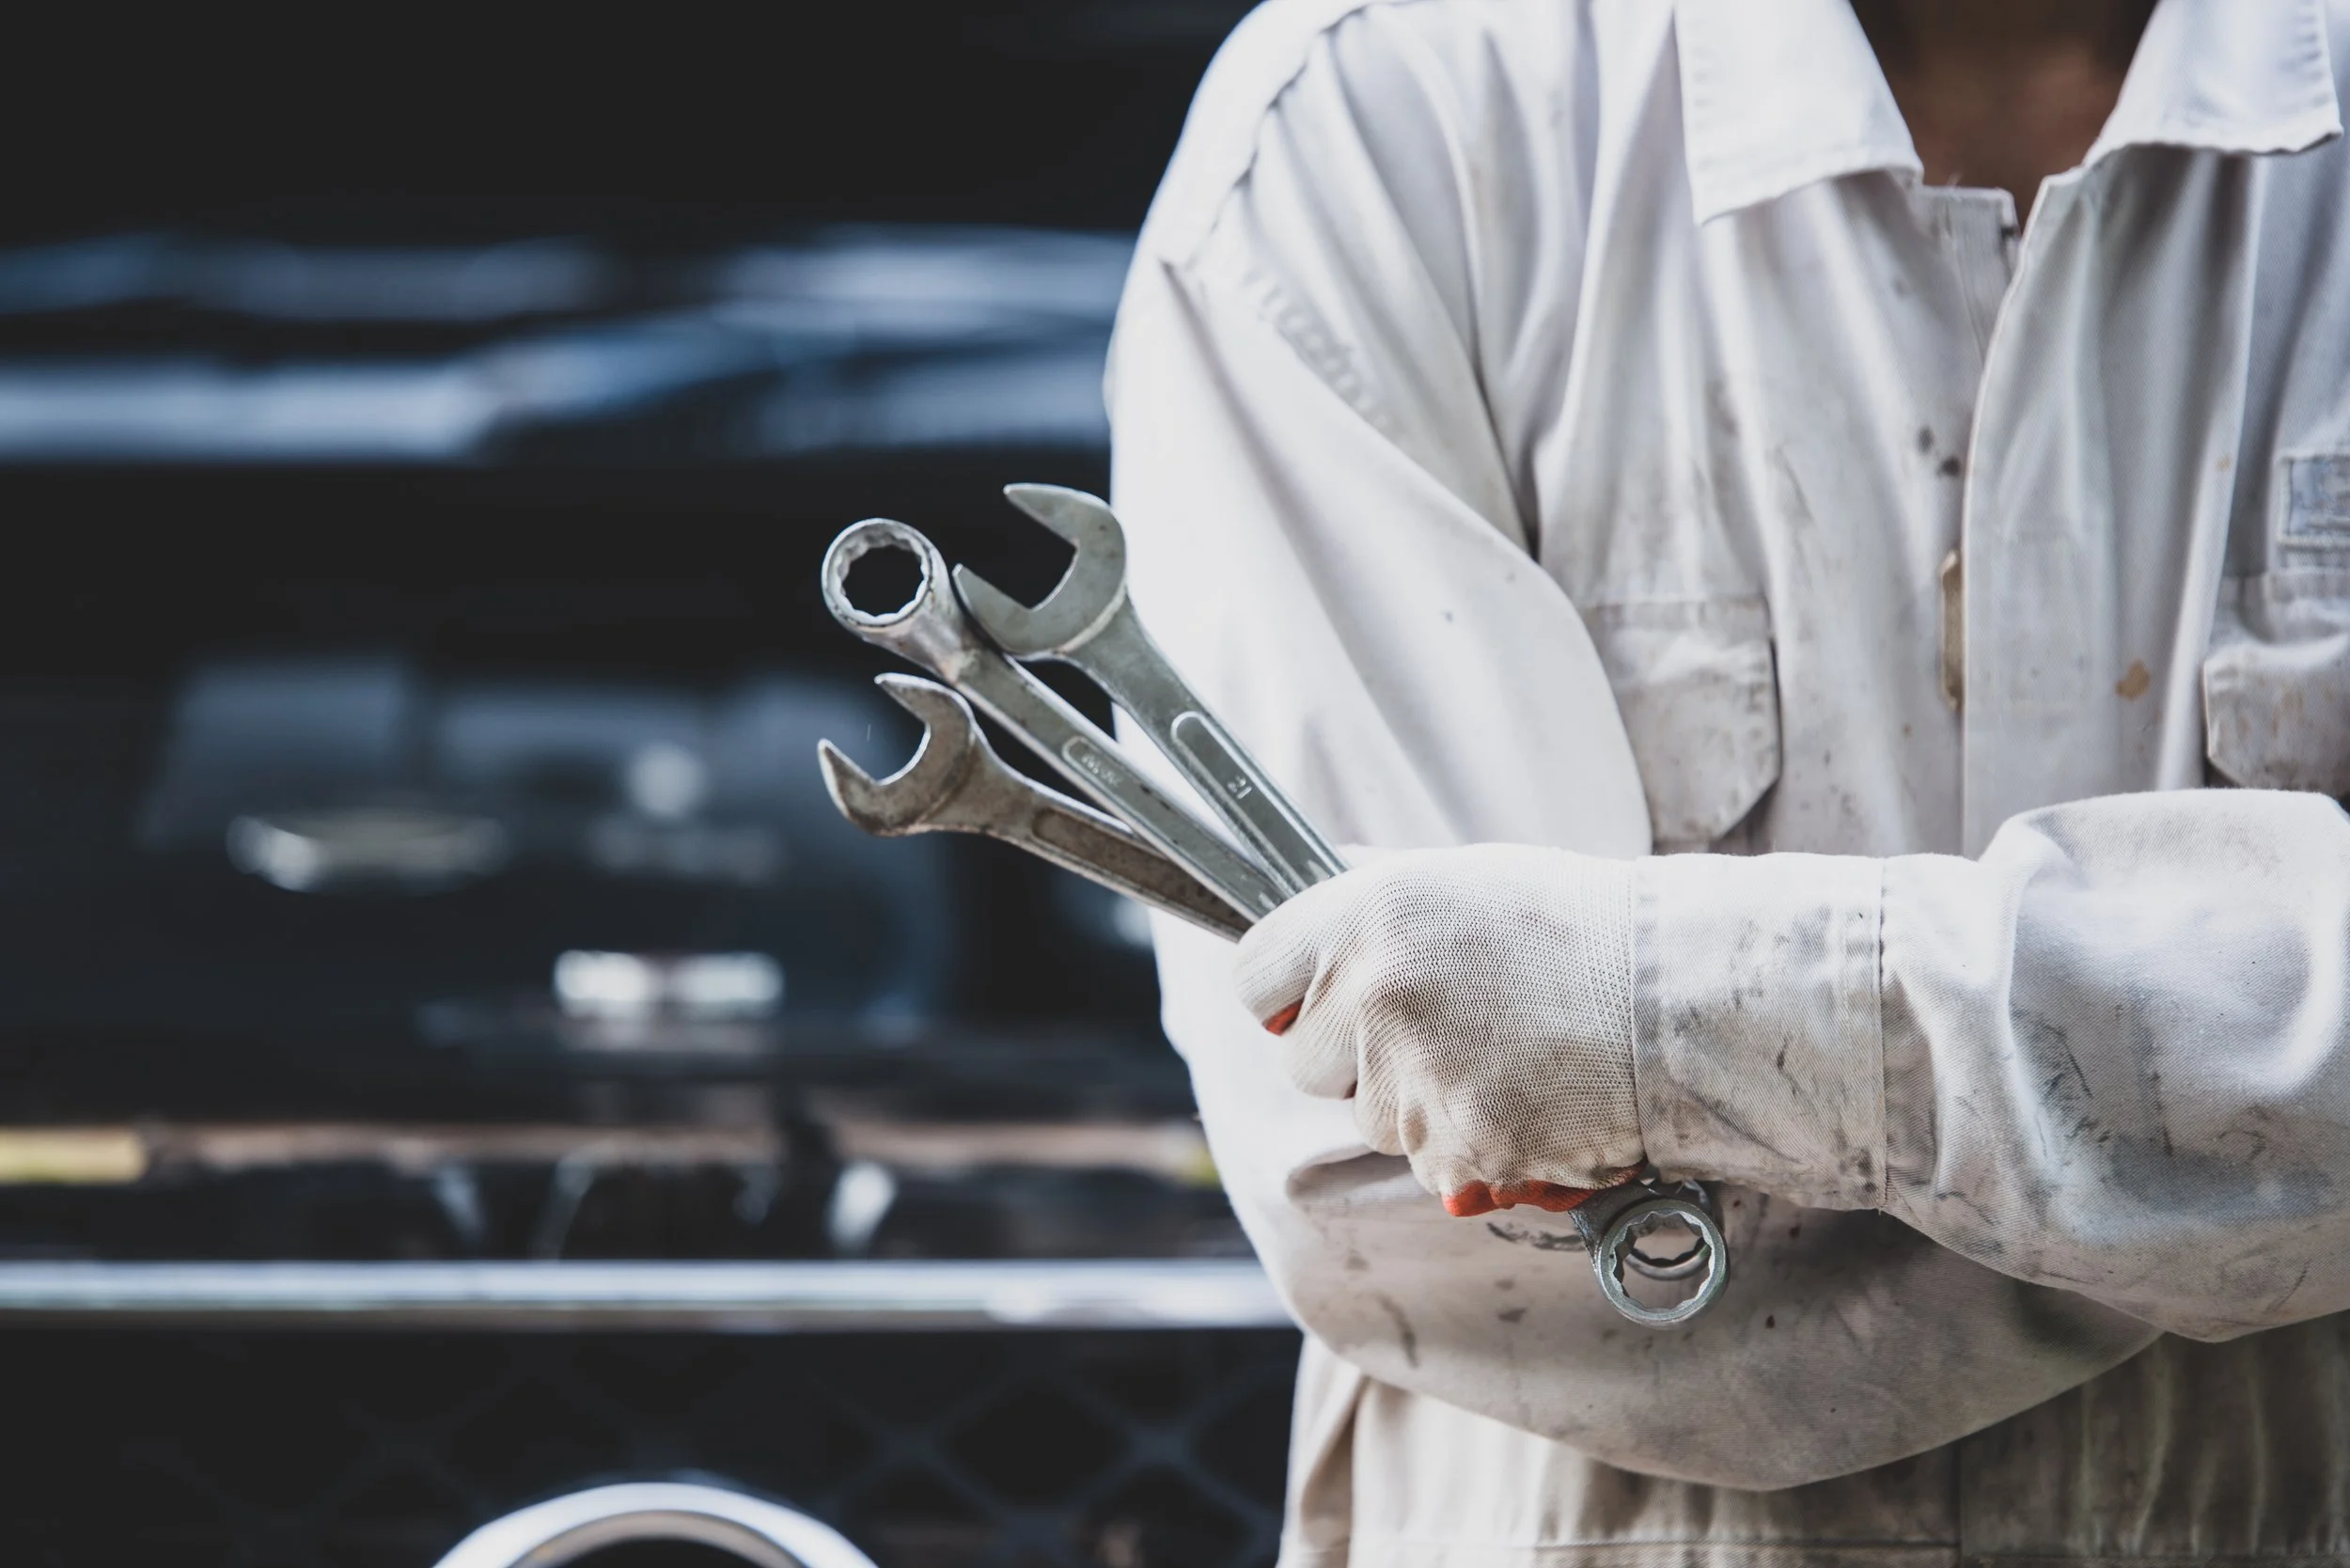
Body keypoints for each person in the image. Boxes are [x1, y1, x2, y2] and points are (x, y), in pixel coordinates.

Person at [1104, 0, 2350, 1560]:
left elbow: (1496, 1101)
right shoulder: (1379, 119)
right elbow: (1382, 1190)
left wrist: (1635, 1020)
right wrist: (2242, 1167)